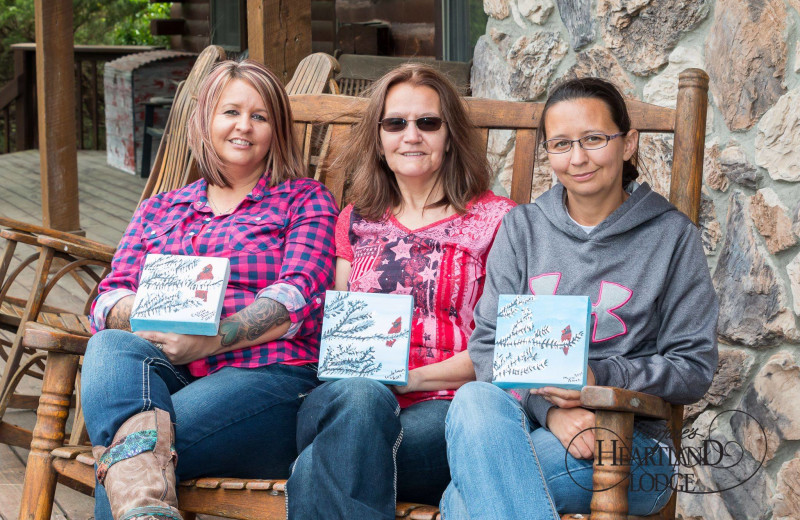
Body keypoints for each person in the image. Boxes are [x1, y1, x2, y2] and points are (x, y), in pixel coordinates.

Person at [441, 77, 719, 519]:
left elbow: (693, 367)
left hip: (630, 442)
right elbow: (489, 345)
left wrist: (599, 376)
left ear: (628, 144)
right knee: (474, 400)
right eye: (561, 144)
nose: (577, 158)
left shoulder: (672, 237)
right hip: (533, 426)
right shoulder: (524, 229)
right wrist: (550, 412)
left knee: (461, 499)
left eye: (594, 139)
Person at [80, 60, 338, 520]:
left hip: (267, 379)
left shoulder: (305, 199)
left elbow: (298, 299)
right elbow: (106, 299)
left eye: (260, 117)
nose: (244, 126)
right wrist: (150, 311)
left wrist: (211, 337)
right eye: (231, 112)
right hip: (172, 377)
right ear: (205, 120)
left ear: (276, 130)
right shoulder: (162, 208)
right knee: (109, 346)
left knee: (127, 450)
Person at [285, 63, 515, 519]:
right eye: (395, 123)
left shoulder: (498, 221)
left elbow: (502, 346)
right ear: (378, 137)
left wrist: (410, 379)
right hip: (350, 397)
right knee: (359, 399)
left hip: (445, 403)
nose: (411, 135)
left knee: (317, 466)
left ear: (450, 135)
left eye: (427, 122)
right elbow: (340, 331)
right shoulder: (355, 219)